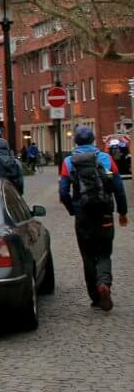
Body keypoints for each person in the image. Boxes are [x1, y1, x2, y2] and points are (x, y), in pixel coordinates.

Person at [60, 127, 129, 311]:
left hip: (83, 215)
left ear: (75, 141)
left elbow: (63, 191)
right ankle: (104, 282)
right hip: (104, 213)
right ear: (93, 139)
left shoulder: (68, 162)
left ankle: (96, 297)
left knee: (88, 255)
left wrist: (72, 209)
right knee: (104, 252)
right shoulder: (106, 159)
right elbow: (118, 188)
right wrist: (122, 212)